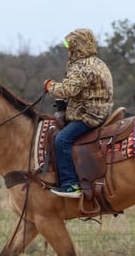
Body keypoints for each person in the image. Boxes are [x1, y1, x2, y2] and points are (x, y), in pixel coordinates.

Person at [44, 28, 114, 198]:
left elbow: (67, 90)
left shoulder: (82, 66)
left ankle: (70, 184)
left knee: (62, 140)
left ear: (78, 46)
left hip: (88, 115)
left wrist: (49, 86)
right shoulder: (97, 62)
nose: (68, 49)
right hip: (101, 110)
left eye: (70, 45)